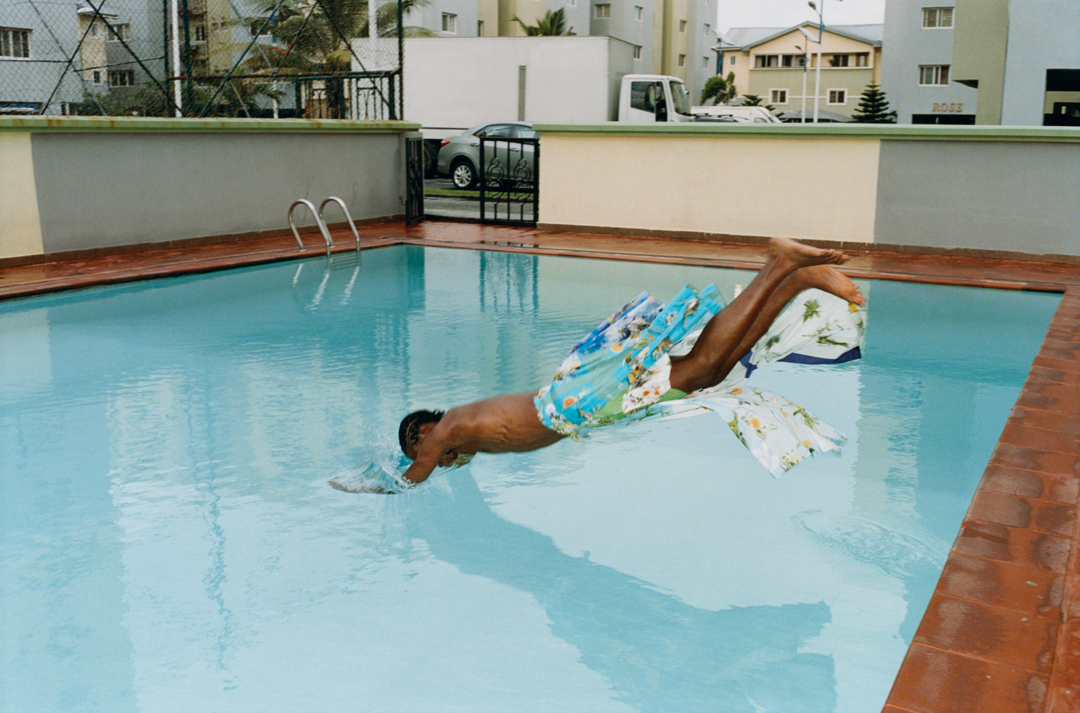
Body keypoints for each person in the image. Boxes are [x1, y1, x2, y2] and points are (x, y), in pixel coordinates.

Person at [396, 238, 865, 488]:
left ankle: (779, 265)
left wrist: (362, 485)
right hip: (578, 403)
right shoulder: (467, 434)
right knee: (711, 374)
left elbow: (412, 479)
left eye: (416, 434)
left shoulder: (448, 429)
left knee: (702, 367)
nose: (421, 444)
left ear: (429, 428)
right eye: (416, 443)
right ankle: (796, 281)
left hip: (576, 402)